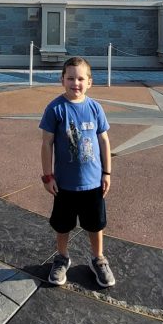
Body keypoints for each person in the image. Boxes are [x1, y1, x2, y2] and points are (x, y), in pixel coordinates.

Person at [39, 56, 115, 288]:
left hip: (93, 183)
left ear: (89, 82)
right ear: (62, 79)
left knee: (95, 224)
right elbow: (47, 144)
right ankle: (62, 258)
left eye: (81, 78)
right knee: (63, 225)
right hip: (64, 184)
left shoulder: (95, 108)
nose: (76, 83)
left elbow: (103, 140)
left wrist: (107, 173)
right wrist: (47, 176)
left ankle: (98, 259)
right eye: (70, 78)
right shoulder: (55, 109)